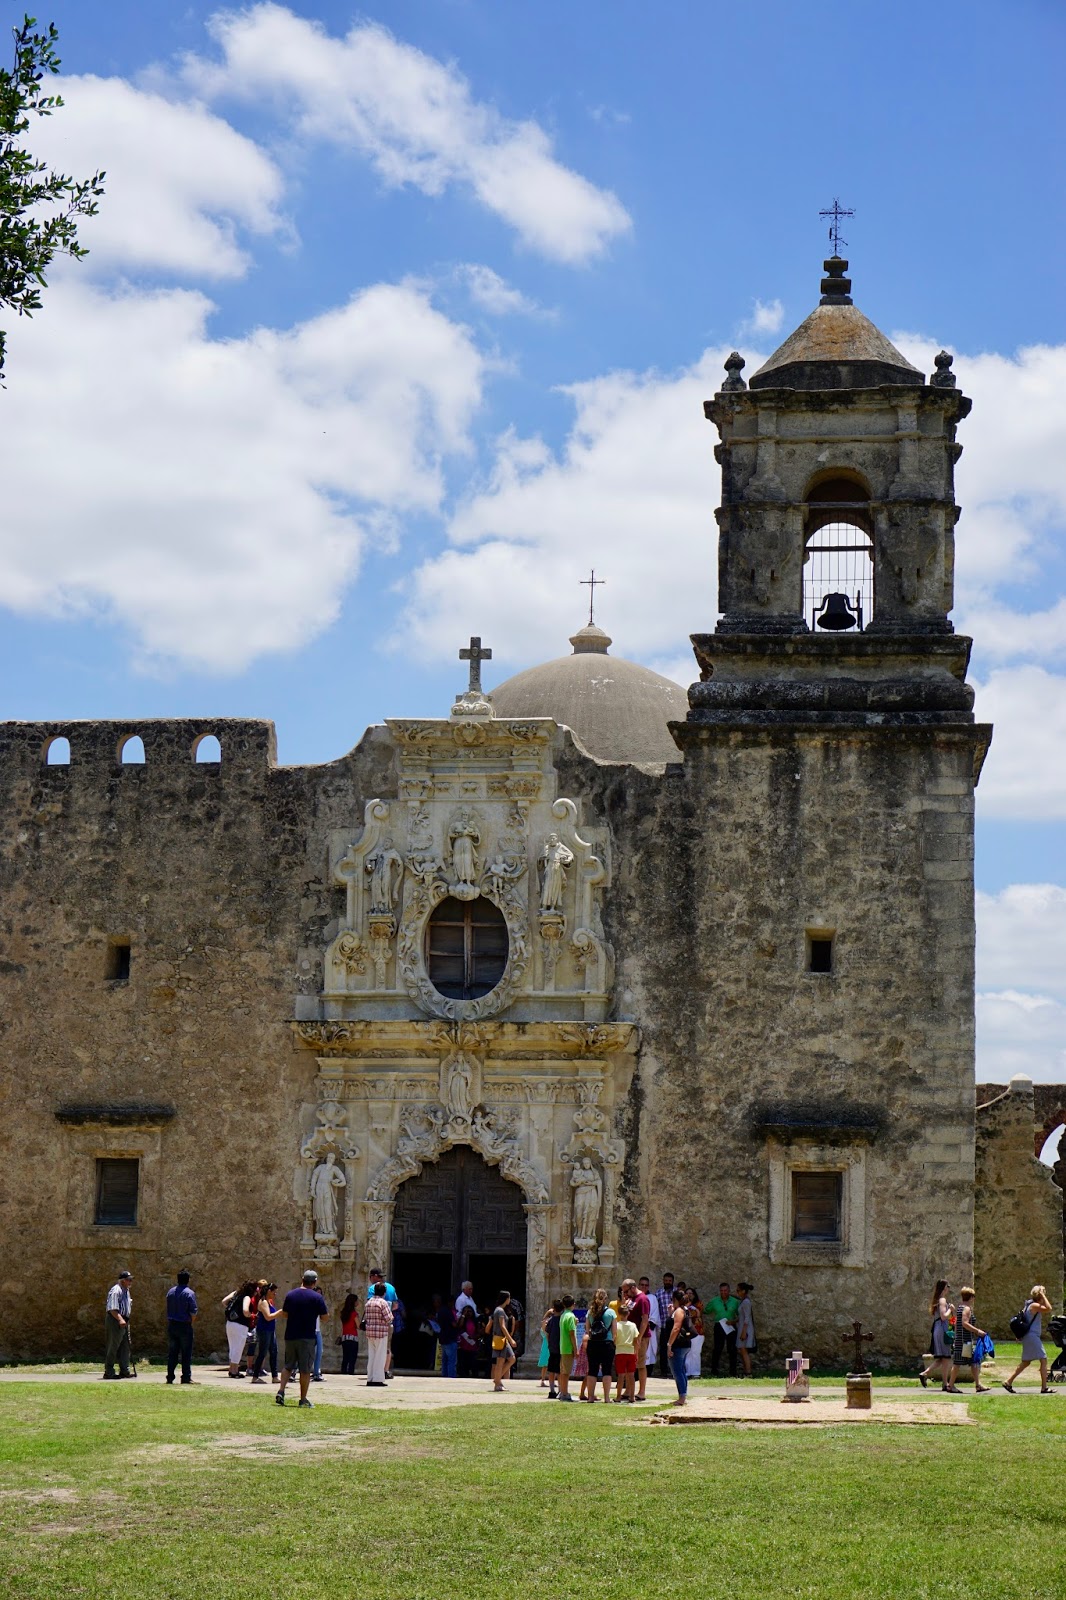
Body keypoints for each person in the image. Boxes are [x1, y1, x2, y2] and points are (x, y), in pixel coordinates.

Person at [276, 1269, 329, 1408]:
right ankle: (303, 1398)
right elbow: (325, 1317)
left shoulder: (291, 1294)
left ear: (302, 1279)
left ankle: (281, 1391)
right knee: (305, 1370)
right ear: (315, 1282)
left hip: (291, 1335)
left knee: (288, 1365)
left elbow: (285, 1313)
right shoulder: (317, 1297)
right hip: (307, 1337)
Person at [1002, 1284, 1056, 1395]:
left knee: (1026, 1362)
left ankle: (1008, 1381)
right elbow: (1049, 1308)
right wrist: (1043, 1296)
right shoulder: (1034, 1305)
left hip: (1029, 1336)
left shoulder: (1028, 1305)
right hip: (1032, 1336)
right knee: (1043, 1359)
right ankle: (1044, 1387)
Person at [949, 1288, 990, 1393]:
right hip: (964, 1341)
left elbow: (956, 1323)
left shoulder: (960, 1308)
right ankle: (950, 1386)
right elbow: (964, 1323)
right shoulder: (966, 1309)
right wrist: (977, 1331)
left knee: (973, 1362)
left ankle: (978, 1385)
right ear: (971, 1297)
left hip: (962, 1340)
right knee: (957, 1363)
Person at [580, 1288, 616, 1402]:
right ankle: (606, 1398)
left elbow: (587, 1329)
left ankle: (590, 1397)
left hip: (593, 1343)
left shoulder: (590, 1312)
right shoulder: (611, 1312)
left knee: (592, 1370)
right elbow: (615, 1331)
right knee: (607, 1370)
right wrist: (612, 1341)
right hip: (607, 1343)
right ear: (605, 1299)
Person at [918, 1279, 954, 1390]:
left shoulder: (938, 1300)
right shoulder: (942, 1300)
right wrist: (951, 1309)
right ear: (944, 1287)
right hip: (942, 1329)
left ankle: (925, 1373)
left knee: (941, 1358)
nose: (949, 1288)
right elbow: (944, 1316)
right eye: (948, 1286)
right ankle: (945, 1383)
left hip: (938, 1329)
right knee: (946, 1357)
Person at [165, 1269, 198, 1385]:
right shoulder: (189, 1293)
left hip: (172, 1324)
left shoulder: (170, 1292)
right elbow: (193, 1312)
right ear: (188, 1280)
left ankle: (170, 1376)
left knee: (172, 1352)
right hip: (184, 1325)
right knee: (186, 1352)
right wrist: (190, 1323)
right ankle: (186, 1377)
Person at [222, 1281, 257, 1378]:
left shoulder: (236, 1293)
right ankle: (234, 1371)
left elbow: (224, 1301)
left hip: (230, 1323)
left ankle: (231, 1369)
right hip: (240, 1325)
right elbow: (245, 1311)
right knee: (238, 1347)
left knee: (232, 1347)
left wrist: (234, 1311)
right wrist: (251, 1315)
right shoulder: (247, 1297)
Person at [103, 1269, 134, 1380]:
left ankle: (125, 1370)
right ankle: (109, 1371)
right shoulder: (116, 1291)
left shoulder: (126, 1290)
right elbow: (112, 1309)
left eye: (131, 1280)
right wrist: (120, 1320)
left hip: (124, 1321)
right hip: (115, 1320)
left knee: (125, 1346)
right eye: (128, 1280)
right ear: (122, 1280)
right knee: (113, 1346)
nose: (130, 1282)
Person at [363, 1281, 393, 1386]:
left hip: (370, 1332)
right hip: (380, 1332)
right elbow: (389, 1318)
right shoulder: (383, 1303)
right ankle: (378, 1378)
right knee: (380, 1356)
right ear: (384, 1292)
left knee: (372, 1356)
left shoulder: (369, 1302)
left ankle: (370, 1377)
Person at [706, 1282, 739, 1378]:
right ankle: (714, 1370)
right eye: (721, 1291)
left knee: (732, 1349)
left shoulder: (735, 1302)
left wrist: (733, 1321)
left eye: (725, 1290)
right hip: (719, 1326)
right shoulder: (714, 1301)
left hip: (731, 1326)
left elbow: (740, 1315)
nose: (723, 1292)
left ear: (729, 1291)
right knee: (717, 1348)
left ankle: (733, 1371)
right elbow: (706, 1311)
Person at [250, 1283, 282, 1384]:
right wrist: (279, 1312)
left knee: (274, 1352)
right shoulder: (263, 1302)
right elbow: (268, 1317)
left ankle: (275, 1376)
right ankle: (255, 1376)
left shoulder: (269, 1302)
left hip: (270, 1330)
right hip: (264, 1330)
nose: (275, 1294)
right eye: (274, 1292)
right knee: (262, 1353)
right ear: (269, 1291)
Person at [626, 1276, 652, 1400]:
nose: (625, 1293)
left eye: (626, 1291)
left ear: (633, 1288)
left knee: (640, 1364)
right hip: (630, 1335)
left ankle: (641, 1392)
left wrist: (639, 1337)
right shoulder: (632, 1298)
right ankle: (628, 1390)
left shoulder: (643, 1299)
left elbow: (645, 1320)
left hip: (640, 1336)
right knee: (629, 1363)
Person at [666, 1288, 692, 1406]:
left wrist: (669, 1344)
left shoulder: (679, 1311)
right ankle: (683, 1395)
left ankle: (682, 1397)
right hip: (685, 1344)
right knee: (681, 1370)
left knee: (677, 1371)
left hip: (678, 1345)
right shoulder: (684, 1310)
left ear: (675, 1299)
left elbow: (676, 1328)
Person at [489, 1290, 516, 1391]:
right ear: (506, 1299)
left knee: (512, 1358)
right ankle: (497, 1383)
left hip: (503, 1339)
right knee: (500, 1362)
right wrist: (511, 1339)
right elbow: (503, 1326)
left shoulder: (500, 1310)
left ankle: (497, 1379)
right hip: (501, 1339)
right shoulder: (499, 1311)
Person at [613, 1304, 639, 1402]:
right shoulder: (633, 1325)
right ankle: (632, 1396)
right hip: (630, 1351)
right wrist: (636, 1351)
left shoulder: (617, 1325)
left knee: (620, 1375)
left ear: (619, 1314)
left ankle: (618, 1396)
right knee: (631, 1375)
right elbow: (636, 1340)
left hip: (620, 1351)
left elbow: (614, 1338)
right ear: (628, 1313)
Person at [558, 1294, 579, 1401]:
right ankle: (565, 1393)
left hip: (563, 1346)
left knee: (563, 1371)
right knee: (566, 1372)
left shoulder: (563, 1315)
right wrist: (576, 1348)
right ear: (573, 1304)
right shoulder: (570, 1316)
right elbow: (572, 1333)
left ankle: (562, 1391)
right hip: (568, 1347)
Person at [655, 1273, 676, 1378]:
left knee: (675, 1349)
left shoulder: (676, 1292)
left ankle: (673, 1371)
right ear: (663, 1280)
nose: (668, 1282)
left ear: (672, 1281)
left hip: (675, 1326)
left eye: (670, 1281)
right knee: (663, 1349)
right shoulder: (658, 1293)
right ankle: (664, 1371)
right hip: (663, 1326)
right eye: (666, 1280)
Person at [736, 1283, 756, 1376]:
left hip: (745, 1329)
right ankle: (745, 1370)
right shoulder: (743, 1301)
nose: (737, 1292)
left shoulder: (746, 1302)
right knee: (742, 1350)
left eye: (738, 1290)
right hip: (742, 1327)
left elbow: (747, 1317)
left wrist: (744, 1332)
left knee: (744, 1350)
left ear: (743, 1291)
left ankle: (748, 1372)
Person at [684, 1288, 705, 1379]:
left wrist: (688, 1307)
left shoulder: (698, 1304)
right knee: (688, 1352)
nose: (689, 1295)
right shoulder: (684, 1305)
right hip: (687, 1331)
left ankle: (696, 1372)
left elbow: (693, 1314)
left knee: (695, 1352)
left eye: (691, 1293)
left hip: (697, 1331)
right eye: (687, 1293)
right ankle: (688, 1372)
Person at [436, 1295, 458, 1377]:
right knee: (451, 1361)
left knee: (444, 1360)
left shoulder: (440, 1311)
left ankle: (444, 1376)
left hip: (443, 1337)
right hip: (450, 1338)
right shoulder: (448, 1311)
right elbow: (454, 1324)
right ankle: (451, 1377)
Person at [339, 1292, 360, 1376]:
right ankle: (350, 1371)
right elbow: (358, 1326)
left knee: (345, 1356)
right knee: (352, 1357)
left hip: (345, 1337)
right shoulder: (354, 1314)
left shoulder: (343, 1313)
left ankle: (343, 1371)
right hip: (353, 1337)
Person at [457, 1305, 480, 1378]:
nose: (468, 1313)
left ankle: (474, 1375)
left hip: (472, 1344)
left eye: (470, 1311)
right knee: (463, 1362)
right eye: (467, 1312)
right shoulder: (463, 1320)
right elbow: (460, 1326)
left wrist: (473, 1337)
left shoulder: (475, 1321)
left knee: (473, 1362)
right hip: (463, 1345)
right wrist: (463, 1315)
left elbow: (479, 1332)